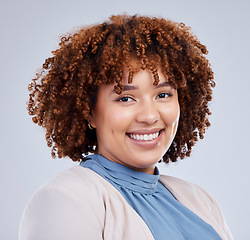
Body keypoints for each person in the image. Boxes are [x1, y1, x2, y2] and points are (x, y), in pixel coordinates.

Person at [19, 14, 234, 239]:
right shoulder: (65, 200)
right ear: (89, 111)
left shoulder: (200, 201)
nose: (149, 116)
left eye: (163, 94)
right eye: (125, 98)